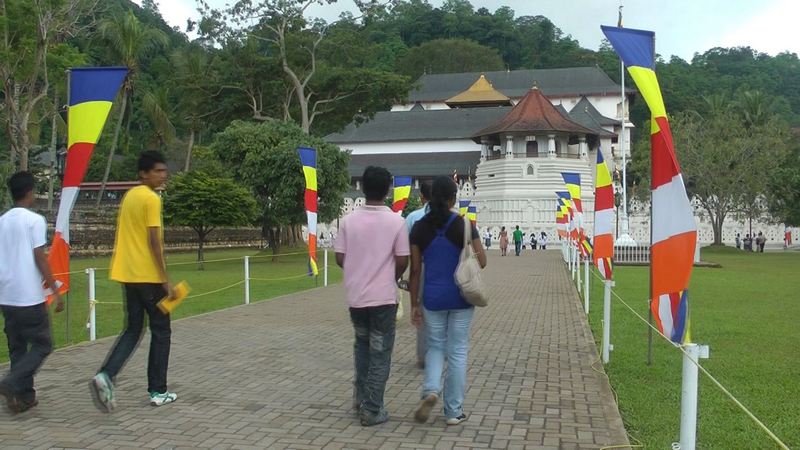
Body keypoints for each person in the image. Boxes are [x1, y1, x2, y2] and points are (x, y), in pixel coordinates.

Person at [90, 151, 177, 413]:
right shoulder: (151, 199)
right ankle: (158, 390)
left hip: (128, 275)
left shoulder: (129, 196)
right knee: (162, 331)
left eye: (164, 171)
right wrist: (165, 281)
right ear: (143, 173)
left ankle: (106, 374)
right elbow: (153, 242)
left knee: (134, 329)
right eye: (158, 171)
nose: (163, 175)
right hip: (148, 277)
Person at [335, 166, 409, 426]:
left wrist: (358, 272)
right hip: (383, 299)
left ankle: (360, 399)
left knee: (362, 348)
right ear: (388, 190)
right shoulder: (396, 222)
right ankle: (372, 409)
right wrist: (389, 276)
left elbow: (340, 257)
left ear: (363, 189)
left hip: (357, 298)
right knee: (380, 352)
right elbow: (402, 259)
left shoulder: (348, 221)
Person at [409, 176, 487, 426]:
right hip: (461, 296)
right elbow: (482, 261)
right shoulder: (464, 224)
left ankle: (431, 389)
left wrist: (414, 304)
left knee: (435, 346)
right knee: (457, 351)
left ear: (430, 198)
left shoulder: (419, 227)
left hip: (432, 297)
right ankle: (453, 411)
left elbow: (415, 271)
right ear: (454, 198)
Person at [0, 172, 64, 414]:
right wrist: (55, 290)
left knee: (17, 347)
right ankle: (11, 382)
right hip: (28, 295)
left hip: (6, 295)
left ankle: (23, 397)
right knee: (42, 345)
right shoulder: (34, 220)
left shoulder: (2, 220)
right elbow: (40, 257)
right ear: (30, 192)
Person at [403, 180, 432, 369]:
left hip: (420, 267)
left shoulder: (414, 217)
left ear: (421, 197)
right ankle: (442, 352)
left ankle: (424, 355)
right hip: (447, 270)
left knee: (422, 311)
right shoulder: (453, 218)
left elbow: (405, 248)